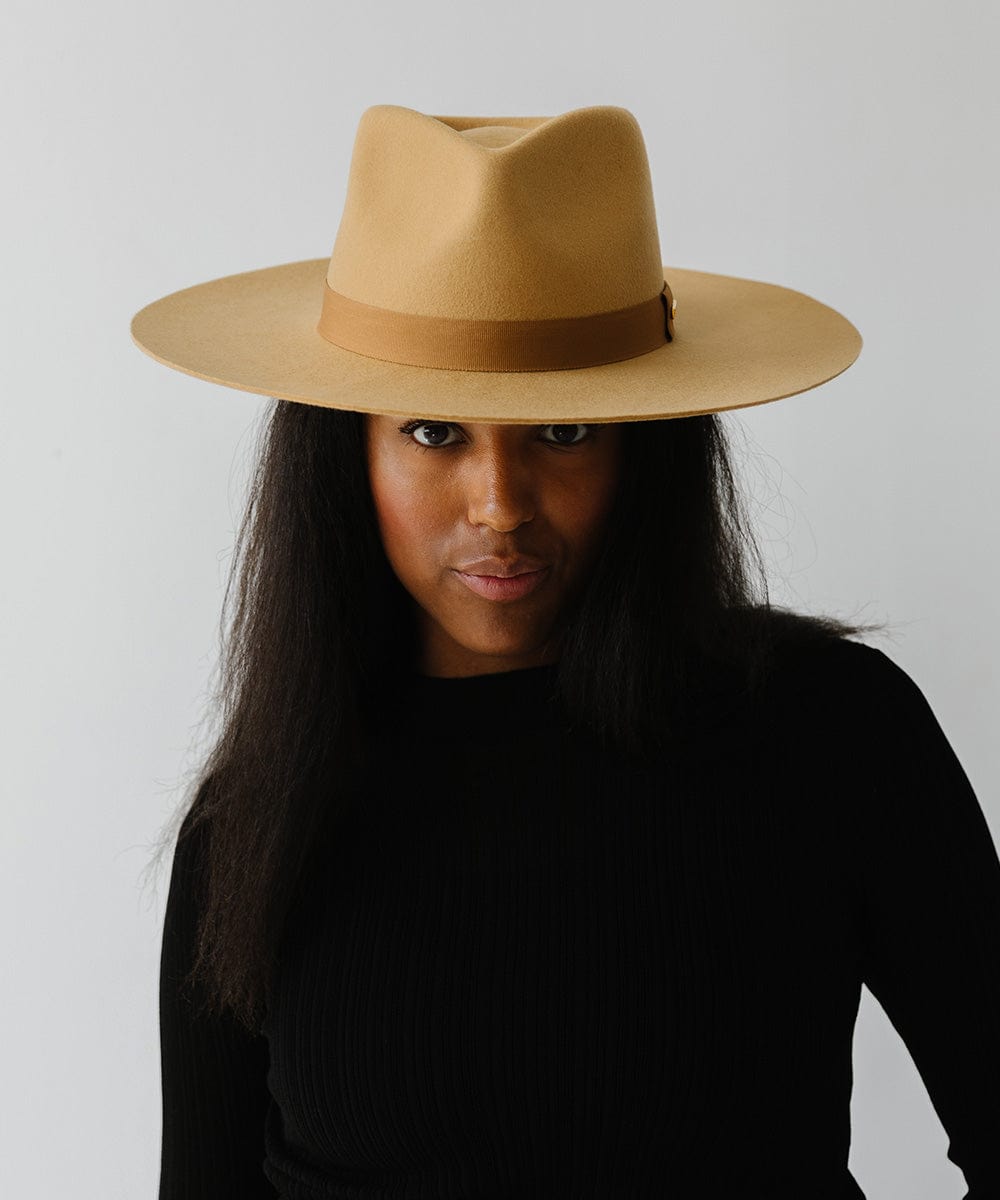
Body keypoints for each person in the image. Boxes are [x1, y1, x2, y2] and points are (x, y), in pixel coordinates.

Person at [133, 105, 1000, 1199]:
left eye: (565, 430)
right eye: (433, 432)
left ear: (650, 446)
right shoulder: (259, 817)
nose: (499, 507)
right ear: (340, 452)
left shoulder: (830, 734)